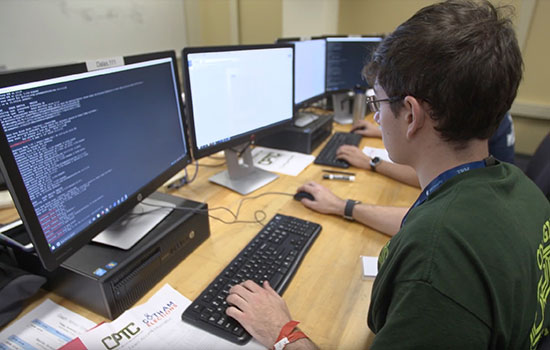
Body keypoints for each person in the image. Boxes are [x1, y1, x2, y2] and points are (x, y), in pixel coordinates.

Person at [225, 1, 550, 349]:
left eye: (376, 103)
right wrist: (344, 207)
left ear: (411, 115)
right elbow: (431, 228)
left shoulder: (435, 261)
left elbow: (438, 248)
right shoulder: (522, 192)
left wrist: (282, 331)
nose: (376, 119)